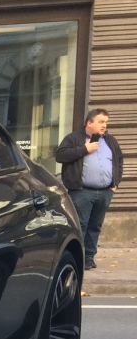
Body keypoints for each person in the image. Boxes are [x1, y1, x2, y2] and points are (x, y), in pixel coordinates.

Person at [54, 108, 123, 270]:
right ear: (89, 123)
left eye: (105, 122)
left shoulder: (110, 141)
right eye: (100, 122)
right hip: (81, 191)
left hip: (105, 192)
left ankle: (89, 258)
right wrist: (85, 149)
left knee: (95, 226)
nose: (104, 125)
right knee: (81, 225)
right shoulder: (74, 138)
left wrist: (115, 182)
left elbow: (119, 161)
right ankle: (77, 257)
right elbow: (60, 156)